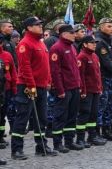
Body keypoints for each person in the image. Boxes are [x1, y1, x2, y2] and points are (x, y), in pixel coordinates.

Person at [11, 17, 58, 160]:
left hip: (41, 86)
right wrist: (31, 86)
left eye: (41, 25)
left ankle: (41, 146)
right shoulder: (25, 43)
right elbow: (25, 67)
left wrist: (48, 81)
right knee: (22, 118)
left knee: (42, 118)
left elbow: (45, 65)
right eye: (37, 25)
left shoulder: (41, 43)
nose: (40, 27)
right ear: (29, 28)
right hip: (27, 86)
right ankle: (17, 149)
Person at [49, 24, 83, 153]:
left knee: (72, 116)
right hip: (64, 89)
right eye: (72, 33)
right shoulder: (56, 48)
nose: (75, 35)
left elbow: (75, 69)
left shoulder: (72, 47)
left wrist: (78, 85)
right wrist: (60, 90)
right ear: (64, 34)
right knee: (60, 116)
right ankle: (57, 143)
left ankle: (69, 141)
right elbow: (55, 72)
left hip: (74, 87)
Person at [76, 35, 106, 147]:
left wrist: (100, 88)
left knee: (93, 114)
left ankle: (92, 136)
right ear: (84, 44)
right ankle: (80, 138)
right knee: (84, 113)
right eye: (92, 42)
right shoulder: (82, 57)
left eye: (95, 43)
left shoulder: (95, 56)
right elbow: (81, 76)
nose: (95, 44)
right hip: (87, 91)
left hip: (95, 90)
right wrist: (82, 90)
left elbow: (98, 74)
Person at [0, 37, 16, 150]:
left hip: (6, 89)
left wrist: (15, 88)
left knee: (2, 115)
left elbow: (13, 72)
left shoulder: (7, 55)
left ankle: (0, 137)